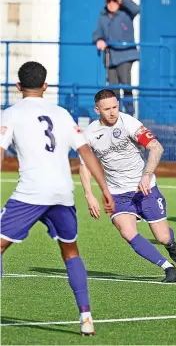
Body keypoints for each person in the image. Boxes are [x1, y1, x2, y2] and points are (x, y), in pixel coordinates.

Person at [0, 61, 115, 336]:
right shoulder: (62, 114)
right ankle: (86, 317)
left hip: (31, 193)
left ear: (17, 87)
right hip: (63, 193)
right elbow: (86, 153)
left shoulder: (11, 113)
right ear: (45, 86)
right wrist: (104, 188)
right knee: (70, 251)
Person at [79, 89, 176, 283]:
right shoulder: (90, 133)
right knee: (127, 232)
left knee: (163, 237)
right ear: (96, 110)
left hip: (144, 188)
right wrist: (89, 195)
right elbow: (85, 167)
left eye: (115, 107)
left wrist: (146, 175)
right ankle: (169, 269)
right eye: (106, 109)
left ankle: (171, 244)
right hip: (117, 193)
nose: (112, 112)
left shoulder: (129, 123)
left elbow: (156, 147)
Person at [93, 0, 140, 116]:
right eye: (108, 0)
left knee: (126, 84)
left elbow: (136, 9)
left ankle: (130, 113)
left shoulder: (126, 13)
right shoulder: (103, 16)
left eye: (114, 1)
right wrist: (99, 40)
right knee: (113, 88)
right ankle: (115, 113)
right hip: (111, 56)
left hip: (125, 55)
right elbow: (98, 32)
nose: (111, 3)